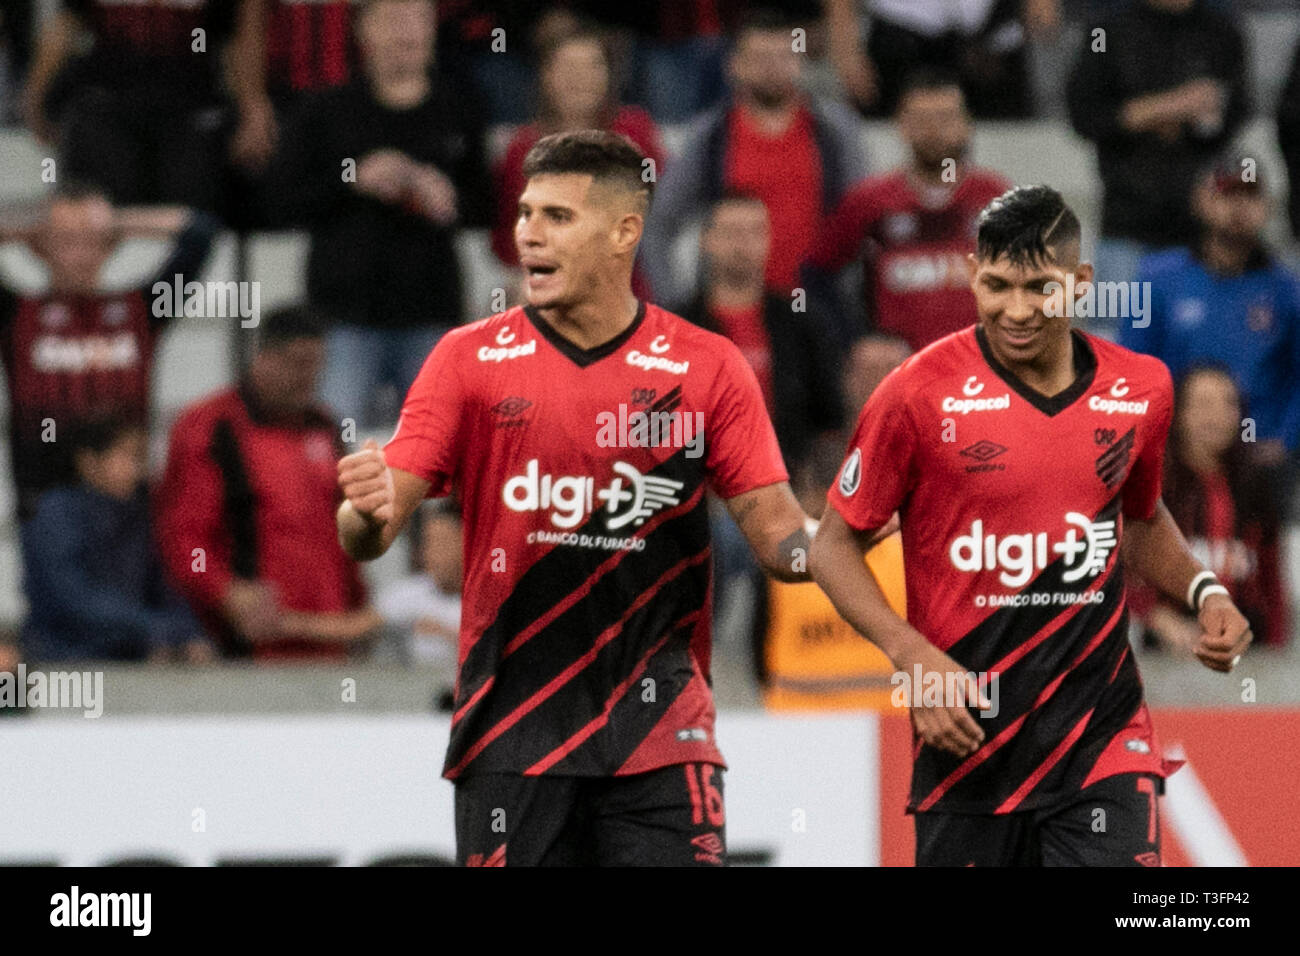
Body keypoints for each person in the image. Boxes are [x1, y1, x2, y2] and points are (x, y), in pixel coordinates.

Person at [336, 130, 818, 867]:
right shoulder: (468, 360)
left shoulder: (706, 366)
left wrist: (841, 540)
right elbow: (371, 528)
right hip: (512, 737)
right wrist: (362, 509)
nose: (529, 232)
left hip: (661, 734)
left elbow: (780, 538)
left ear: (625, 232)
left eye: (557, 216)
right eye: (526, 213)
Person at [809, 185, 1252, 866]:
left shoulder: (1142, 389)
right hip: (969, 749)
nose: (1015, 311)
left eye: (1039, 288)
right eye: (996, 285)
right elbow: (833, 547)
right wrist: (915, 661)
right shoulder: (915, 393)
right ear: (970, 274)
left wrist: (1205, 592)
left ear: (1079, 283)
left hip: (1101, 736)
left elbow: (1136, 519)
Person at [267, 0, 491, 429]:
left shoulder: (459, 107)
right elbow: (282, 202)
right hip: (345, 317)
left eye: (417, 18)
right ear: (363, 32)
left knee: (440, 453)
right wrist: (353, 179)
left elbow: (483, 205)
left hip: (431, 312)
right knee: (338, 453)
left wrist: (446, 196)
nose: (406, 31)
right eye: (392, 19)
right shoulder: (326, 110)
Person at [157, 307, 382, 661]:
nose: (307, 377)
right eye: (297, 363)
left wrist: (358, 605)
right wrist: (225, 593)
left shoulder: (326, 428)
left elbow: (346, 529)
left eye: (315, 364)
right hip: (248, 644)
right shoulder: (212, 427)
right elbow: (184, 537)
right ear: (263, 357)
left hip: (328, 639)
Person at [0, 184, 217, 523]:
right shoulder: (16, 315)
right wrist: (33, 227)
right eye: (66, 242)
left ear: (109, 246)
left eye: (92, 241)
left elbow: (200, 232)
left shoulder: (141, 310)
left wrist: (115, 221)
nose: (81, 254)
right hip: (43, 504)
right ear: (40, 248)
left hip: (127, 501)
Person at [641, 8, 868, 309]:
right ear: (734, 66)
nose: (772, 68)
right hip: (732, 310)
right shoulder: (711, 136)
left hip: (817, 307)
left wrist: (853, 299)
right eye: (760, 58)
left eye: (782, 57)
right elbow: (659, 222)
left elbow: (861, 221)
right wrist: (674, 305)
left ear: (800, 63)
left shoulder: (835, 130)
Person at [804, 68, 1011, 349]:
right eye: (922, 119)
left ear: (966, 124)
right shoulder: (870, 201)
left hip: (978, 365)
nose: (934, 130)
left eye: (945, 118)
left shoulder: (994, 197)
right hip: (900, 372)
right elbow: (816, 273)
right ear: (901, 125)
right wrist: (851, 340)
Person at [1066, 0, 1247, 314]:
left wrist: (1192, 119)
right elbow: (1086, 115)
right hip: (1126, 222)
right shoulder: (1105, 32)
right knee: (1114, 346)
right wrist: (1169, 107)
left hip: (1200, 228)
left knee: (1199, 345)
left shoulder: (1222, 31)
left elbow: (1234, 112)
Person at [1121, 154, 1300, 466]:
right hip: (1175, 456)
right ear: (1200, 201)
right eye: (1227, 194)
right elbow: (1132, 368)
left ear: (1267, 207)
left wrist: (1286, 439)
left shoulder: (1288, 290)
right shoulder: (1153, 279)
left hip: (1259, 455)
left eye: (1250, 196)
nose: (1238, 207)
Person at [21, 416, 212, 664]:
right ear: (89, 462)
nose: (139, 468)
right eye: (129, 456)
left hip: (128, 655)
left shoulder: (140, 516)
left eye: (141, 457)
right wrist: (158, 628)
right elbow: (74, 598)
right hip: (62, 659)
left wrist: (190, 633)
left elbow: (165, 589)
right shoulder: (55, 513)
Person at [491, 26, 664, 299]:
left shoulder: (635, 132)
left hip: (627, 296)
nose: (581, 78)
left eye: (593, 66)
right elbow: (506, 241)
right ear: (545, 76)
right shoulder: (522, 148)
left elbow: (662, 211)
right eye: (568, 67)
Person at [23, 0, 241, 212]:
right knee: (101, 209)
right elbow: (66, 23)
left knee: (189, 212)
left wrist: (248, 109)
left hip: (188, 109)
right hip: (109, 105)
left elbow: (235, 38)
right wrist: (35, 97)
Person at [1130, 365, 1289, 651]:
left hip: (1248, 653)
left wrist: (1275, 653)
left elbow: (1271, 581)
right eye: (1203, 404)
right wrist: (1154, 615)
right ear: (1179, 414)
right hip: (1166, 656)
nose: (1216, 416)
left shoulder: (1255, 485)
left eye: (1228, 404)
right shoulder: (1151, 486)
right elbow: (1117, 569)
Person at [825, 0, 1058, 119]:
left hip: (991, 37)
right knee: (898, 136)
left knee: (1005, 137)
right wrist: (846, 51)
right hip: (904, 30)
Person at [375, 499, 463, 668]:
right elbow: (355, 628)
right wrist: (307, 625)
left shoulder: (494, 599)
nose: (431, 553)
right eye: (428, 542)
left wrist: (446, 634)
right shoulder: (410, 594)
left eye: (442, 543)